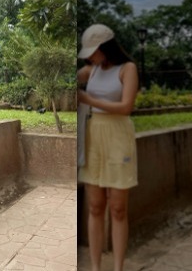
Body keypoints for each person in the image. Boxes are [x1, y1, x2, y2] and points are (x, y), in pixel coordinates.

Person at [77, 24, 139, 271]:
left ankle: (118, 267)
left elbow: (126, 107)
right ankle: (95, 266)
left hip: (119, 136)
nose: (90, 56)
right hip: (95, 136)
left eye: (94, 50)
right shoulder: (89, 71)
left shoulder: (127, 69)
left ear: (105, 47)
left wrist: (90, 100)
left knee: (118, 207)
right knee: (95, 206)